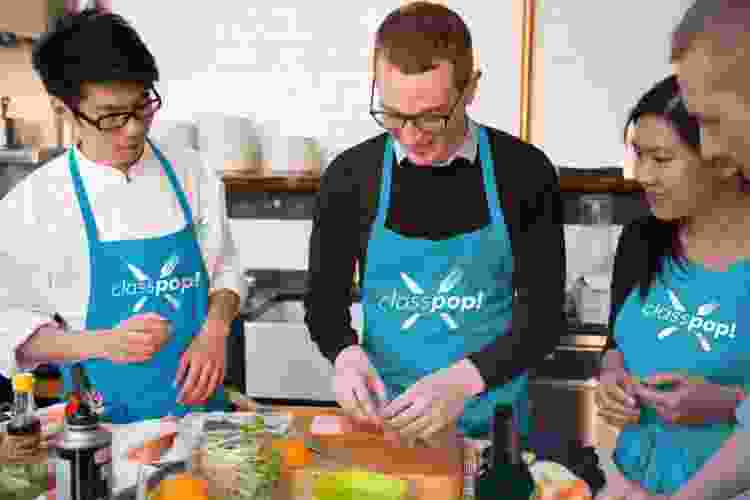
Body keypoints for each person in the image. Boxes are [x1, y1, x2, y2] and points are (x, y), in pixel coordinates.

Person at [304, 1, 565, 443]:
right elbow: (324, 306)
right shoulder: (351, 177)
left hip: (493, 433)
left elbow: (542, 319)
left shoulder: (524, 173)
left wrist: (463, 381)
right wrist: (345, 355)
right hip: (388, 425)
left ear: (471, 89)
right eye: (393, 115)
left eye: (431, 116)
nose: (411, 135)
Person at [0, 8, 246, 423]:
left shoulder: (192, 173)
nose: (133, 129)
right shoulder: (31, 206)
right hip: (101, 431)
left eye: (142, 107)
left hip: (205, 418)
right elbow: (12, 334)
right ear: (63, 110)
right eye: (112, 116)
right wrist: (102, 344)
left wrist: (216, 330)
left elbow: (225, 271)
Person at [616, 2, 750, 499]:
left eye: (663, 158)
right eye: (639, 155)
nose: (644, 175)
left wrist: (729, 404)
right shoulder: (644, 240)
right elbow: (619, 347)